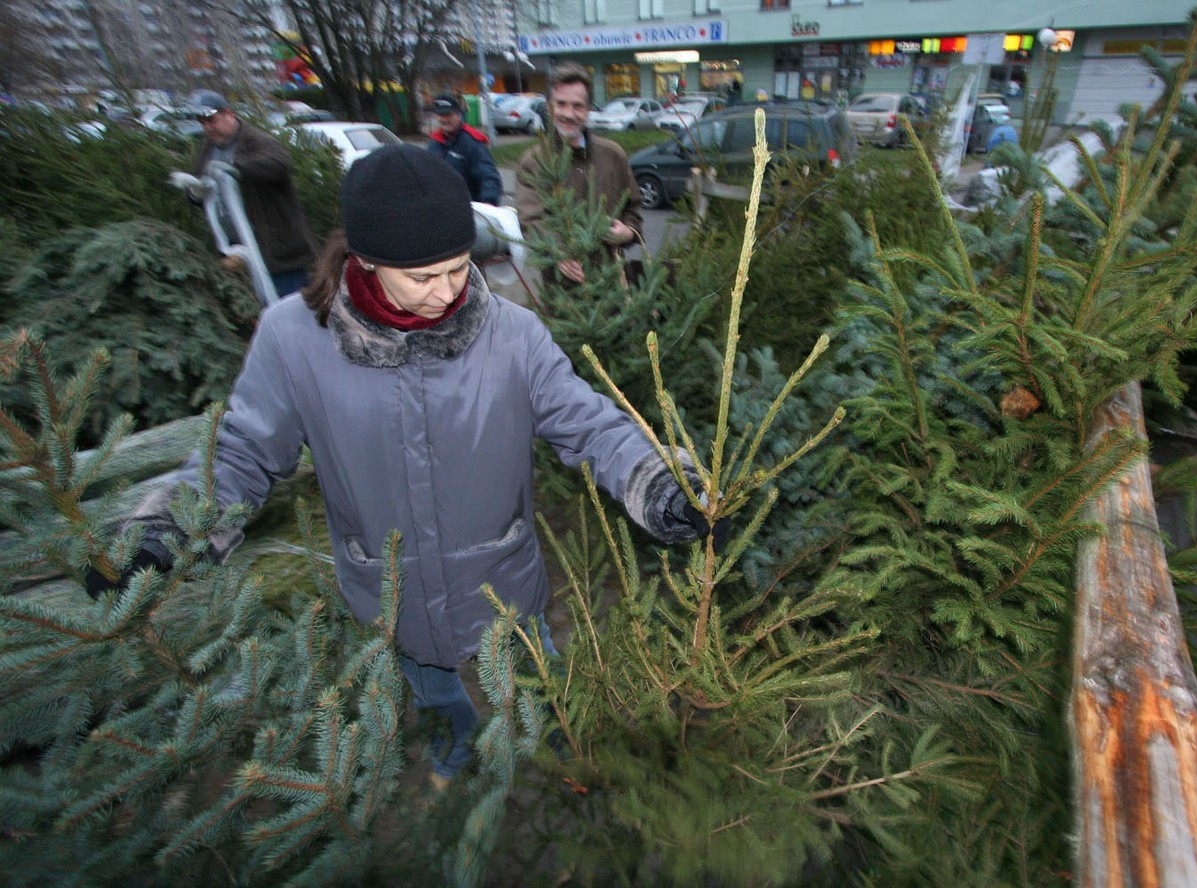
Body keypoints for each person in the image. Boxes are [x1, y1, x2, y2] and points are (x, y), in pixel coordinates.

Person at [89, 145, 723, 786]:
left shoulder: (513, 335)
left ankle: (563, 746)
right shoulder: (293, 338)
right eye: (422, 276)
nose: (447, 291)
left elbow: (589, 424)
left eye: (458, 268)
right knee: (433, 690)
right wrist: (166, 530)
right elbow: (243, 450)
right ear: (364, 259)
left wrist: (658, 483)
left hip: (501, 580)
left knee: (540, 681)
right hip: (387, 590)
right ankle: (456, 752)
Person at [515, 63, 642, 286]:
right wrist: (559, 251)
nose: (569, 114)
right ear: (548, 107)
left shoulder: (613, 155)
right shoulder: (533, 163)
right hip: (562, 292)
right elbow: (531, 220)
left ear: (588, 109)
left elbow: (633, 208)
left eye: (578, 106)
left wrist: (628, 233)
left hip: (612, 284)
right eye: (561, 104)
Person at [189, 89, 317, 298]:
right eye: (202, 122)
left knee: (290, 314)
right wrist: (195, 193)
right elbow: (201, 184)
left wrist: (234, 168)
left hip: (276, 255)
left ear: (228, 113)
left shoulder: (258, 141)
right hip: (239, 256)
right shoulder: (209, 150)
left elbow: (279, 164)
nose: (208, 127)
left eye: (212, 120)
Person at [426, 93, 503, 206]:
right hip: (441, 208)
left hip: (467, 208)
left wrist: (488, 203)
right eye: (441, 115)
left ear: (458, 115)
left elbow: (488, 177)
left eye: (449, 115)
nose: (445, 119)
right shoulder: (434, 143)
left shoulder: (472, 143)